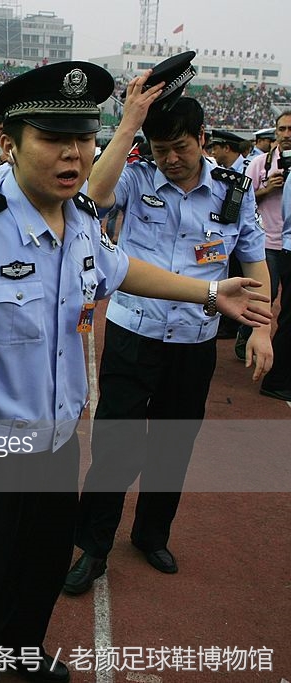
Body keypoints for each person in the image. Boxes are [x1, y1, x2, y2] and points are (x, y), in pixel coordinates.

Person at [0, 61, 271, 683]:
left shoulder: (83, 221)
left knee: (37, 575)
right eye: (54, 139)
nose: (75, 155)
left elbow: (123, 272)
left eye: (85, 139)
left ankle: (22, 654)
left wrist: (208, 292)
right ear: (9, 141)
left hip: (56, 443)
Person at [66, 78, 271, 595]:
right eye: (161, 151)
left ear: (202, 138)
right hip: (134, 332)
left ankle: (151, 534)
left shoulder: (232, 191)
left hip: (194, 342)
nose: (172, 159)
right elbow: (92, 195)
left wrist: (265, 331)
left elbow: (252, 260)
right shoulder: (136, 180)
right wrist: (130, 123)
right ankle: (92, 547)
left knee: (173, 446)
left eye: (180, 147)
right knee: (116, 446)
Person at [256, 112, 291, 399]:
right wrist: (267, 189)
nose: (287, 133)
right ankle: (251, 344)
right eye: (282, 128)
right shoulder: (260, 163)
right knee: (263, 303)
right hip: (267, 243)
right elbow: (240, 199)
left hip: (288, 246)